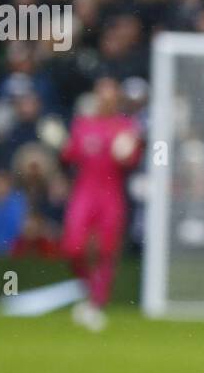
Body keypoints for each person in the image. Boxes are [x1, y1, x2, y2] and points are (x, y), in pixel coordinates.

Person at [56, 77, 142, 331]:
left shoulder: (126, 126)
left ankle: (96, 303)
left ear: (116, 99)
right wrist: (60, 143)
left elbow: (132, 160)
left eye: (111, 96)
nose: (106, 100)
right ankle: (88, 289)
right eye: (102, 95)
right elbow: (68, 156)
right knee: (73, 247)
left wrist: (128, 151)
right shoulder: (82, 125)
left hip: (111, 192)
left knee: (106, 250)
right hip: (85, 190)